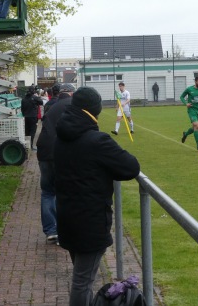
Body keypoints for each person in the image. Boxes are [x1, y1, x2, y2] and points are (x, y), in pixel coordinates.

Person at [54, 87, 140, 306]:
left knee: (82, 277)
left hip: (67, 215)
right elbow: (131, 167)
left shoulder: (61, 136)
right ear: (95, 110)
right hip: (90, 221)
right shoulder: (97, 140)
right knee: (82, 282)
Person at [35, 84, 76, 245]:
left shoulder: (52, 106)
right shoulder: (73, 106)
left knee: (47, 192)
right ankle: (63, 232)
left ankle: (51, 231)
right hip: (59, 153)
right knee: (64, 192)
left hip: (43, 152)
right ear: (72, 93)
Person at [180, 76, 198, 151]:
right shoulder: (189, 89)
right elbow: (182, 97)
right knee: (197, 125)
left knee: (194, 128)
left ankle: (185, 134)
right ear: (195, 82)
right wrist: (186, 103)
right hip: (191, 110)